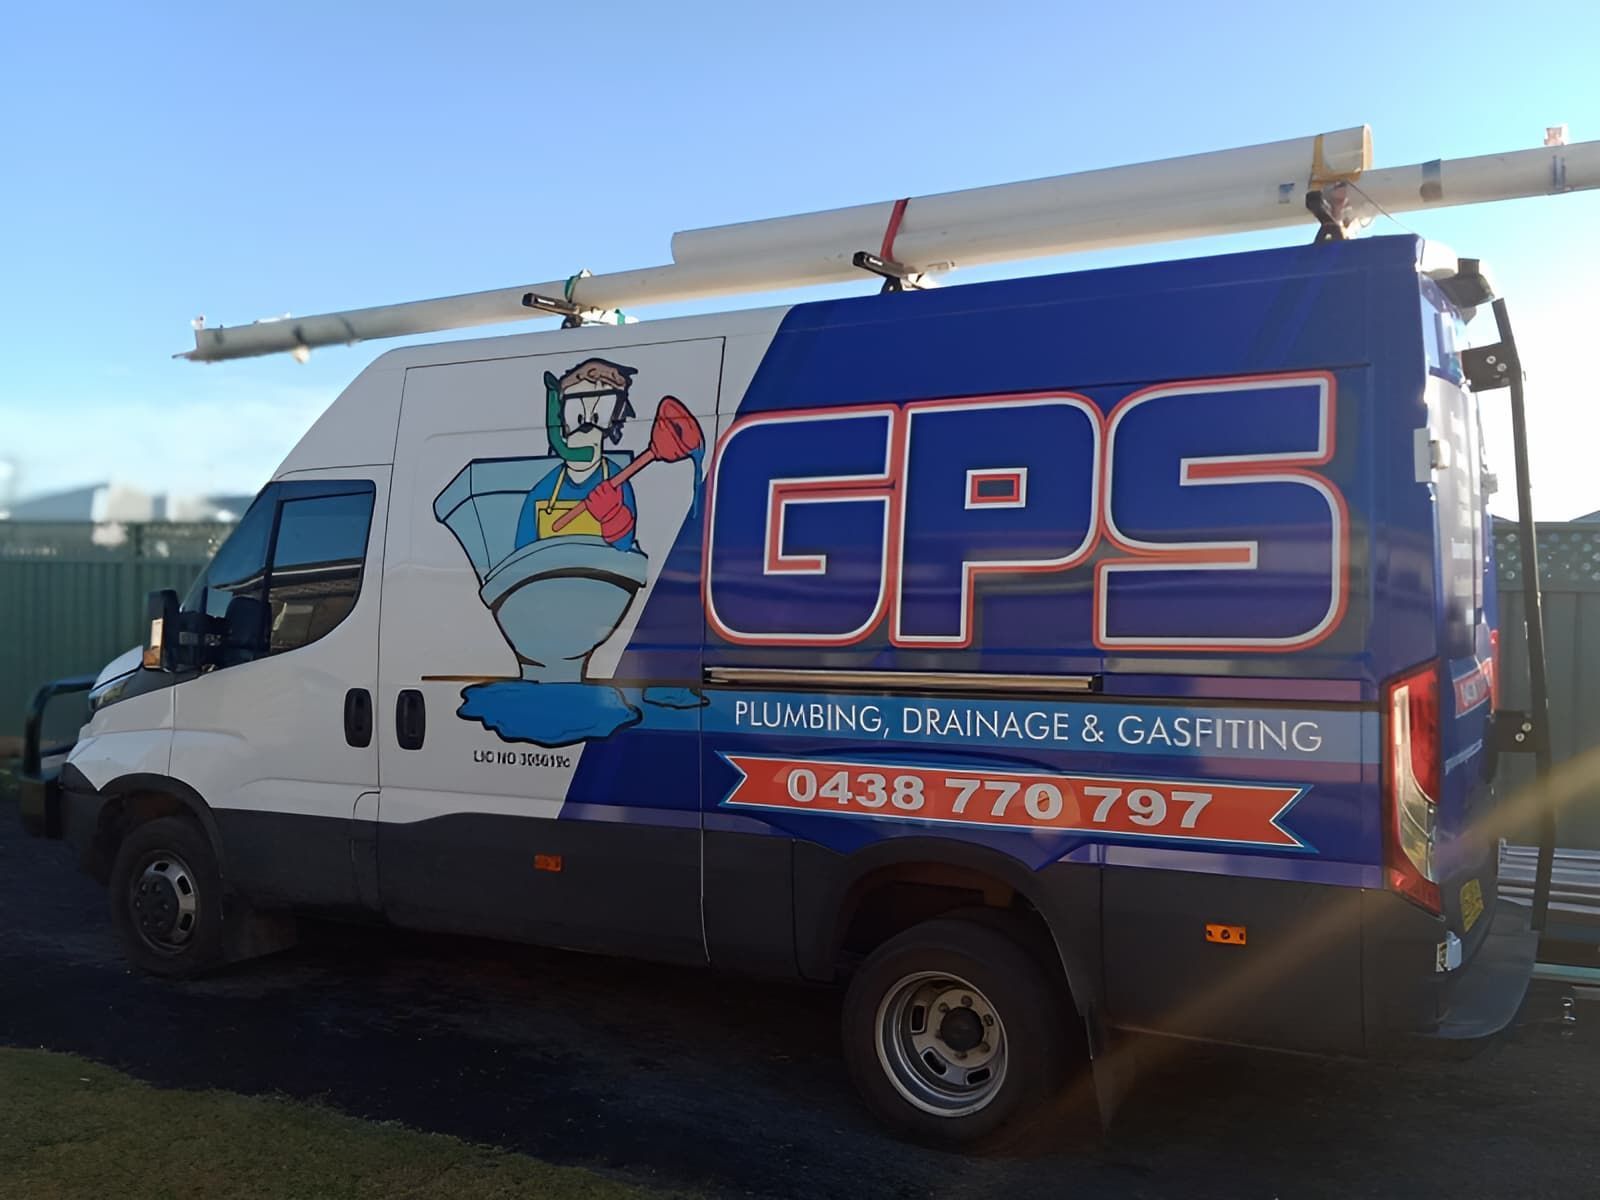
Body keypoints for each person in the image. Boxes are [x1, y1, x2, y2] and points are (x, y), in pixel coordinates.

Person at [515, 358, 640, 551]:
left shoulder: (618, 484)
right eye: (577, 417)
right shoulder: (543, 492)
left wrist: (614, 519)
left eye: (598, 418)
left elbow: (627, 551)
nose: (586, 429)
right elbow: (520, 558)